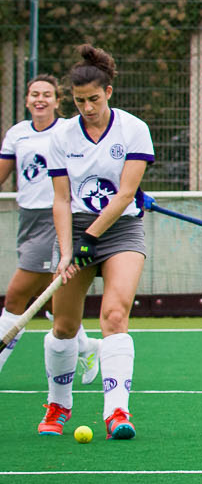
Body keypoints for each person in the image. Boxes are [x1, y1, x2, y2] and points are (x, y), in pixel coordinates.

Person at [44, 46, 151, 439]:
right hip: (74, 229)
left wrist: (91, 238)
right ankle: (58, 404)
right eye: (79, 101)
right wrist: (67, 251)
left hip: (121, 229)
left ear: (108, 91)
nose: (87, 108)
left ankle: (117, 412)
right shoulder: (61, 136)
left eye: (93, 99)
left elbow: (126, 194)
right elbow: (61, 199)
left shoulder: (133, 129)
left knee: (114, 316)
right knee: (64, 326)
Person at [1, 75, 97, 382]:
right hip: (28, 219)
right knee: (57, 302)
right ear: (27, 100)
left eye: (46, 94)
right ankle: (87, 347)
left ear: (57, 101)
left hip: (55, 219)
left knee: (16, 296)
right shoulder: (17, 133)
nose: (40, 99)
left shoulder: (69, 130)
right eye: (34, 94)